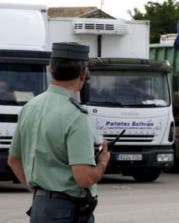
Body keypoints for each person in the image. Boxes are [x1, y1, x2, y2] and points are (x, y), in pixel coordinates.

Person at [7, 42, 110, 223]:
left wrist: (42, 192)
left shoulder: (30, 107)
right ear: (83, 74)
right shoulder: (76, 116)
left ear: (50, 70)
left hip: (40, 207)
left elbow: (14, 160)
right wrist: (102, 162)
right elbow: (84, 178)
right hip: (67, 211)